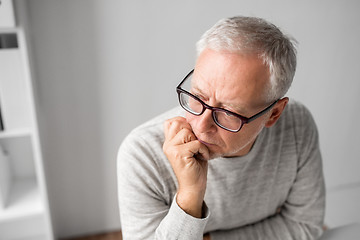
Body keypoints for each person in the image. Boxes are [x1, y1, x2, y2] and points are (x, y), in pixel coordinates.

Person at [117, 16, 325, 240]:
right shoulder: (142, 154)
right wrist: (189, 197)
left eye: (227, 113)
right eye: (198, 96)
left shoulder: (296, 126)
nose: (201, 125)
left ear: (273, 114)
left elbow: (304, 226)